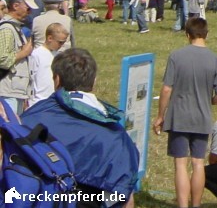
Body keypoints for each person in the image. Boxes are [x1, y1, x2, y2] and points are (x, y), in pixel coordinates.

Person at [21, 48, 140, 206]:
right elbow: (123, 197)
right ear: (94, 81)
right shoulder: (117, 137)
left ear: (56, 79)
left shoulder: (29, 119)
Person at [154, 18, 217, 208]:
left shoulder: (176, 56)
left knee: (180, 164)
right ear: (206, 34)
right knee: (198, 163)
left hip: (179, 116)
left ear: (187, 35)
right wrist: (208, 100)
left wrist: (160, 115)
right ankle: (196, 204)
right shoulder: (216, 60)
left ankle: (182, 205)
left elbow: (166, 90)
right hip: (202, 117)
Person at [0, 0, 35, 114]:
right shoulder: (7, 29)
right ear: (15, 6)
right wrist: (24, 53)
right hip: (7, 92)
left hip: (15, 91)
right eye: (27, 8)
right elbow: (2, 59)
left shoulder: (15, 27)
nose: (29, 12)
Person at [27, 22, 68, 108]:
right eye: (60, 42)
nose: (62, 45)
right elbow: (30, 79)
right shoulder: (36, 54)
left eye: (63, 42)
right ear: (50, 38)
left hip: (53, 102)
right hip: (37, 102)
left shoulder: (58, 56)